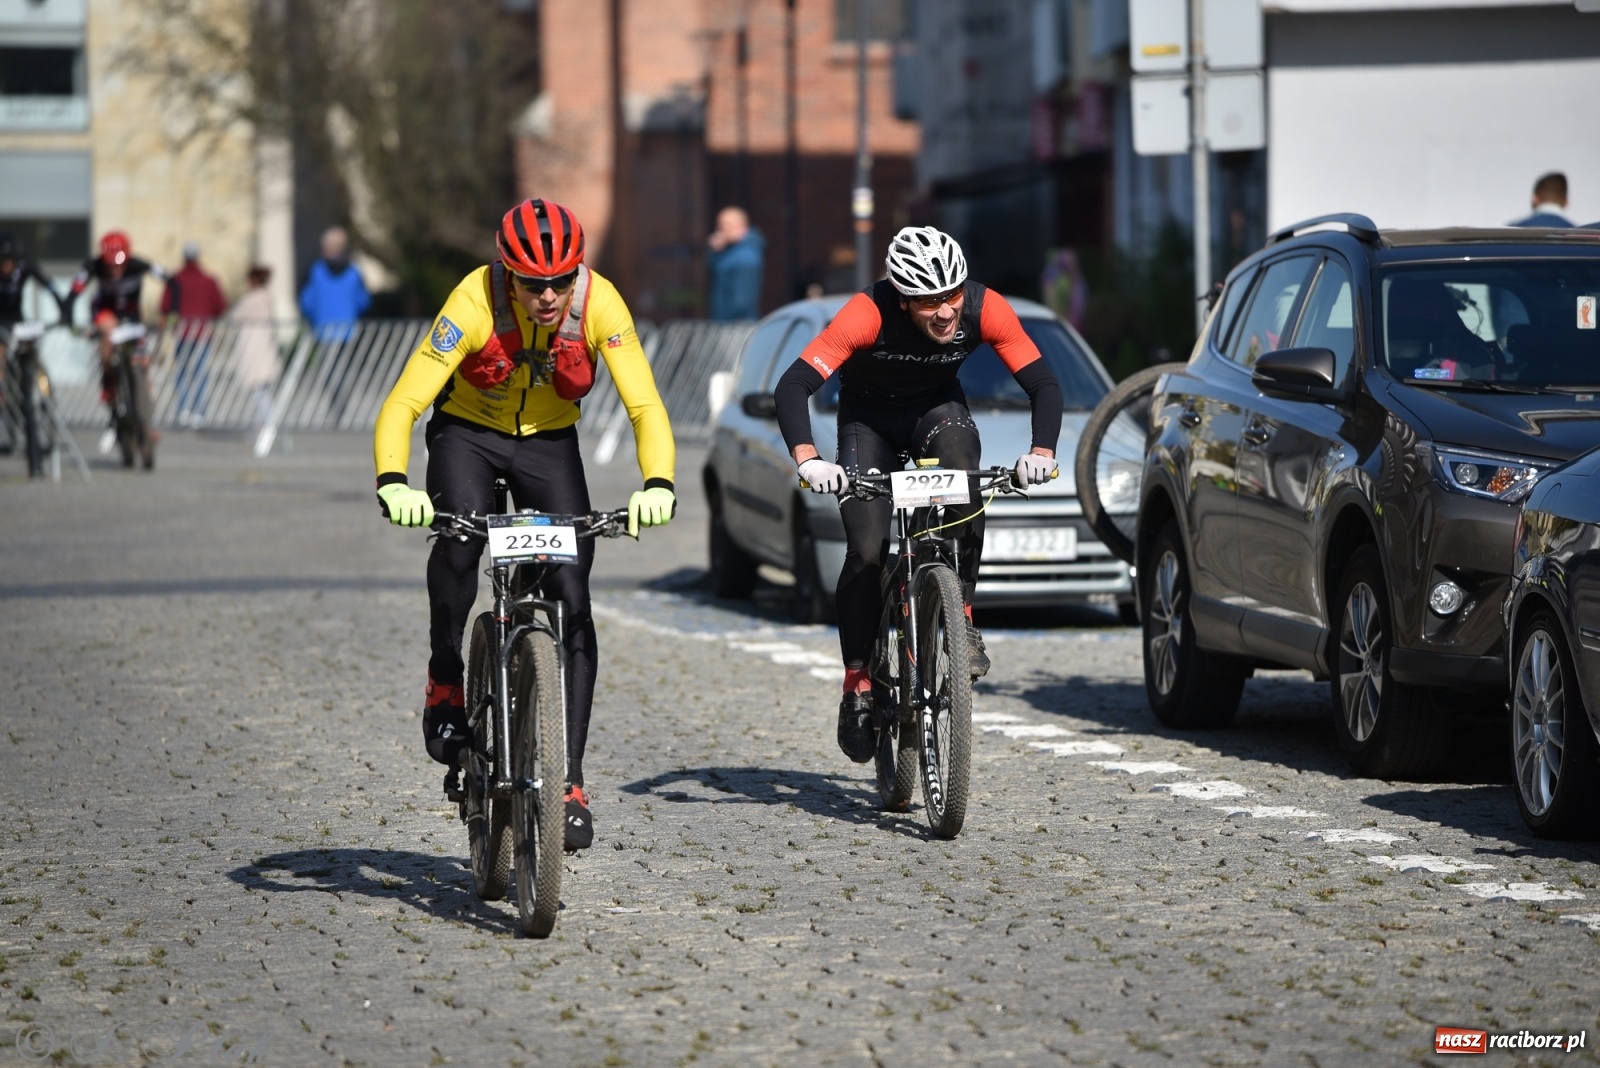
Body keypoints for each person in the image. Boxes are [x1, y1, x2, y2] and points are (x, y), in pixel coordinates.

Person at [372, 198, 677, 851]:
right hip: (467, 438)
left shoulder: (601, 304)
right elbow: (404, 401)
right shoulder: (473, 301)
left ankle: (567, 782)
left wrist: (658, 483)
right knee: (459, 544)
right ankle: (446, 673)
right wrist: (393, 481)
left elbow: (645, 405)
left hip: (548, 445)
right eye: (533, 282)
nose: (547, 296)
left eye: (560, 281)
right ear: (508, 272)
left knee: (573, 595)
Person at [772, 226, 1063, 763]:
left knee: (966, 476)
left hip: (936, 412)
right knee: (864, 549)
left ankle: (962, 616)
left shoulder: (984, 306)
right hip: (869, 423)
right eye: (929, 302)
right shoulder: (866, 313)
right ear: (903, 298)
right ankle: (858, 678)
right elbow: (792, 385)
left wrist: (1041, 452)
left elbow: (1044, 383)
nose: (946, 311)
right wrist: (809, 460)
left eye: (952, 294)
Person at [65, 232, 167, 466]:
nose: (114, 270)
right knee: (108, 332)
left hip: (131, 315)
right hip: (105, 311)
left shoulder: (138, 264)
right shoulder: (93, 266)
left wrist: (168, 313)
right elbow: (73, 293)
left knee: (142, 362)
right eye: (110, 266)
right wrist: (70, 321)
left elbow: (171, 282)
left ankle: (146, 417)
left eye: (118, 265)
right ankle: (108, 381)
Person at [0, 233, 69, 477]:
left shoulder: (25, 267)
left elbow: (48, 284)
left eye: (9, 261)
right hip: (1, 323)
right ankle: (4, 397)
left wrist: (64, 308)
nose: (6, 266)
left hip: (18, 320)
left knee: (30, 352)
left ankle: (36, 386)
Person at [298, 226, 371, 421]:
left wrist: (313, 317)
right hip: (348, 329)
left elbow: (306, 300)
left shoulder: (315, 270)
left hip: (324, 329)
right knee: (345, 369)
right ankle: (342, 405)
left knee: (330, 371)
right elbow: (363, 300)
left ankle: (336, 406)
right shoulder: (354, 272)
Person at [162, 242, 228, 426]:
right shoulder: (209, 280)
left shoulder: (175, 280)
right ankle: (198, 412)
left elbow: (165, 305)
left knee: (182, 372)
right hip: (203, 333)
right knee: (200, 373)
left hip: (183, 332)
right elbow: (220, 305)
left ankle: (184, 410)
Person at [228, 265, 280, 429]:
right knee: (261, 389)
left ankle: (269, 422)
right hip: (260, 347)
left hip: (254, 348)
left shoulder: (254, 299)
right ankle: (268, 421)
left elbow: (234, 316)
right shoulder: (266, 298)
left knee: (257, 389)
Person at [706, 206, 765, 320]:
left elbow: (742, 299)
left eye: (723, 225)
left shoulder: (745, 256)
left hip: (737, 325)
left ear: (738, 226)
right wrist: (716, 252)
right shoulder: (730, 251)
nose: (719, 230)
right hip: (727, 322)